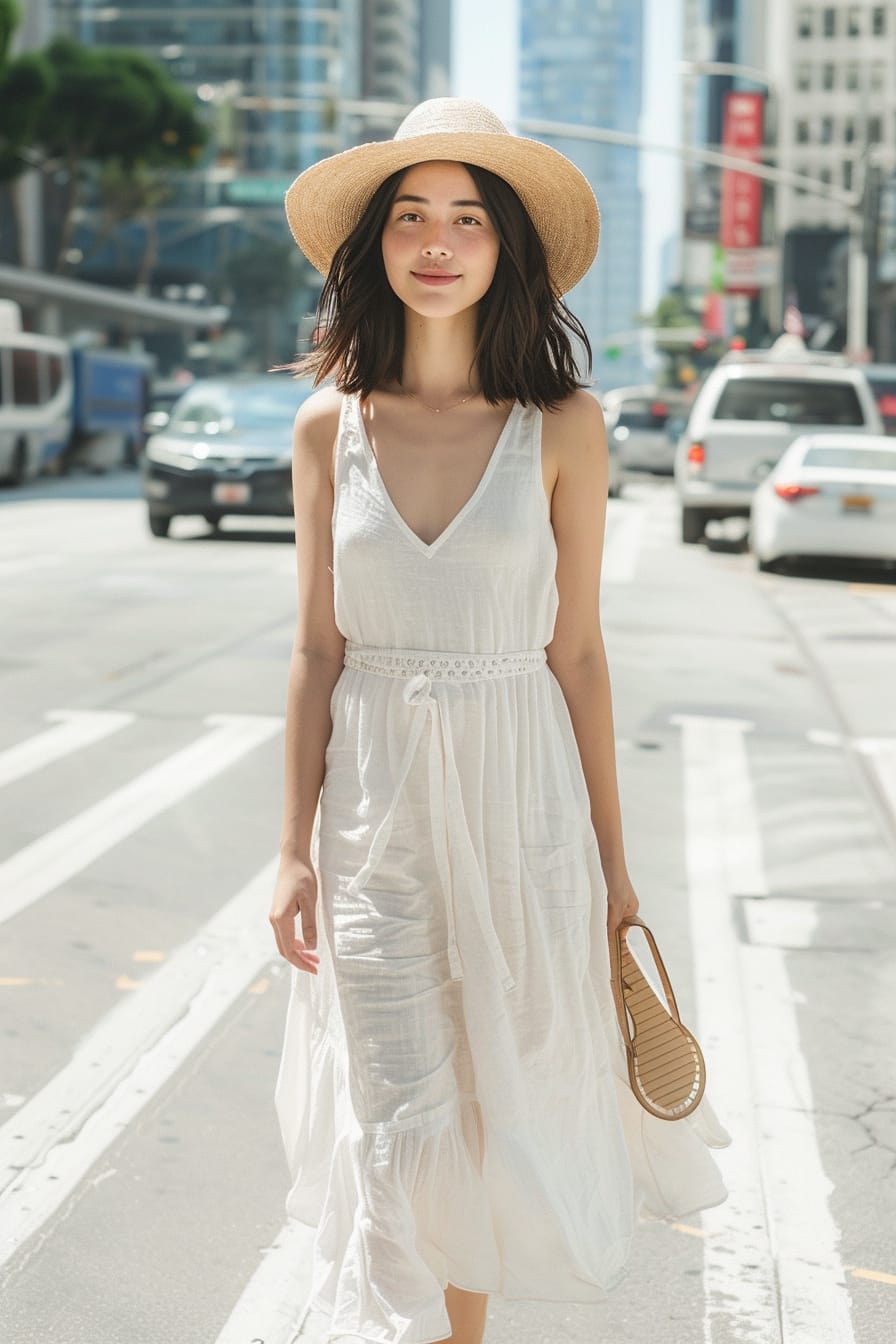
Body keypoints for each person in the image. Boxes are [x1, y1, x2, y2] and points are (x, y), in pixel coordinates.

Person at [270, 99, 729, 1344]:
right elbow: (317, 650)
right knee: (396, 1105)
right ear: (374, 246)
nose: (435, 241)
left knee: (492, 1101)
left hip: (519, 795)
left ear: (504, 249)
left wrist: (614, 866)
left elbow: (576, 652)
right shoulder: (327, 427)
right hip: (373, 809)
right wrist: (293, 848)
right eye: (409, 216)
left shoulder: (563, 430)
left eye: (466, 218)